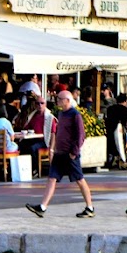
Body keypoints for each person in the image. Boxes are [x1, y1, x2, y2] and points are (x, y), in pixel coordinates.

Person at [26, 89, 93, 218]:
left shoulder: (75, 114)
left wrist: (74, 151)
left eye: (60, 99)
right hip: (59, 152)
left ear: (67, 100)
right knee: (52, 178)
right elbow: (57, 133)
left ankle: (89, 207)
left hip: (69, 153)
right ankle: (42, 207)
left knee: (79, 179)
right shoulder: (61, 114)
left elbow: (81, 135)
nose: (58, 101)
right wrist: (53, 149)